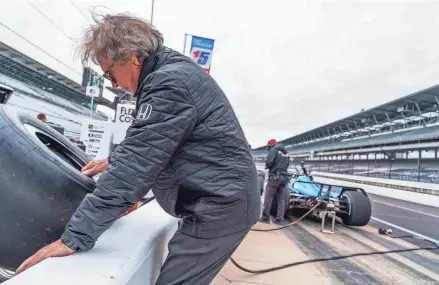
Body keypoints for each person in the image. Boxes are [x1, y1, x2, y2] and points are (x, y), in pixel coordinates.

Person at [16, 13, 260, 285]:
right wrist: (115, 158)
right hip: (219, 200)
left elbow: (135, 166)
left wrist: (76, 236)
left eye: (110, 73)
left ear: (131, 56)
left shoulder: (169, 82)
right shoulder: (172, 72)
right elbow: (156, 140)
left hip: (218, 208)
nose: (113, 84)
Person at [260, 139, 290, 224]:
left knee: (268, 197)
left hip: (275, 176)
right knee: (281, 199)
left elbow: (269, 162)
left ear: (270, 145)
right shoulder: (286, 152)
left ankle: (265, 217)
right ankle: (280, 219)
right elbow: (287, 164)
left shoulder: (274, 150)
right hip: (284, 177)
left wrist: (267, 166)